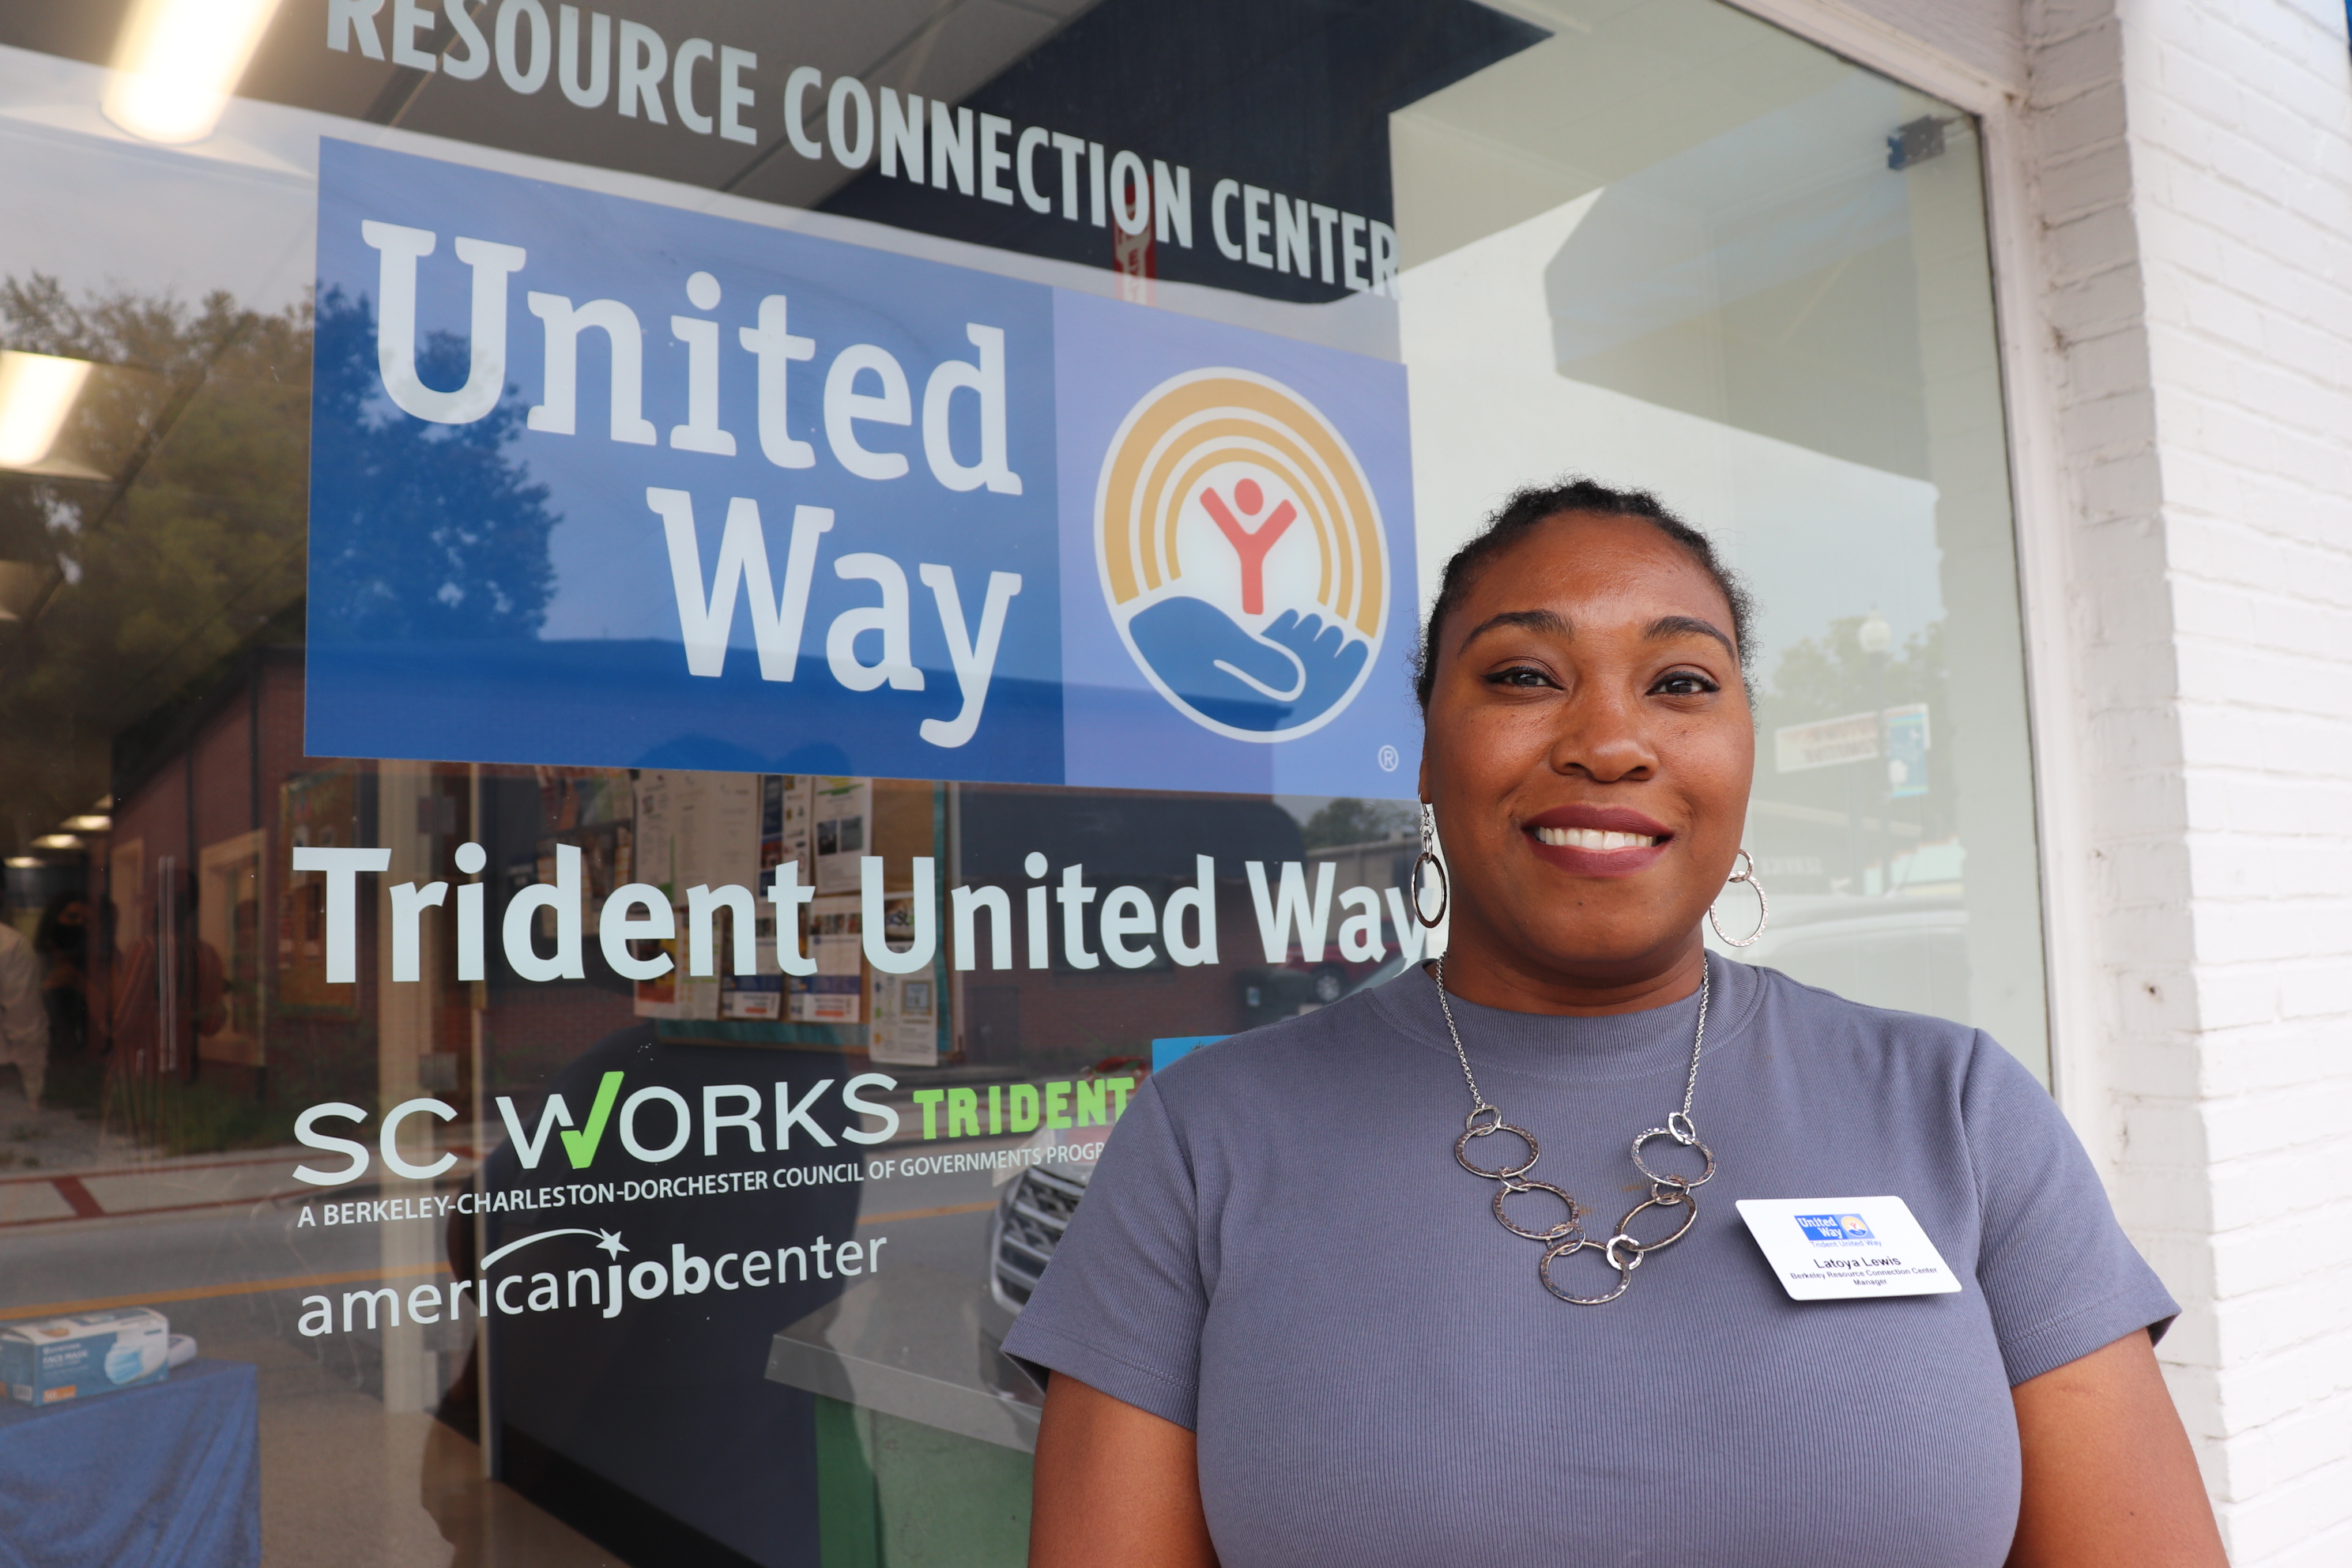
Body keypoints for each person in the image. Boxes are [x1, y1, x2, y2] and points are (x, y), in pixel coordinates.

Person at [1008, 481, 2228, 1568]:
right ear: (1425, 753)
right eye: (1524, 677)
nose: (1607, 743)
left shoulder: (1956, 1109)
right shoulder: (1204, 1139)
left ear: (1745, 751)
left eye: (1681, 683)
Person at [0, 918, 50, 1107]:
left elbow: (25, 1019)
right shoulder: (9, 944)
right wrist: (33, 1088)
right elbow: (25, 1022)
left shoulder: (9, 944)